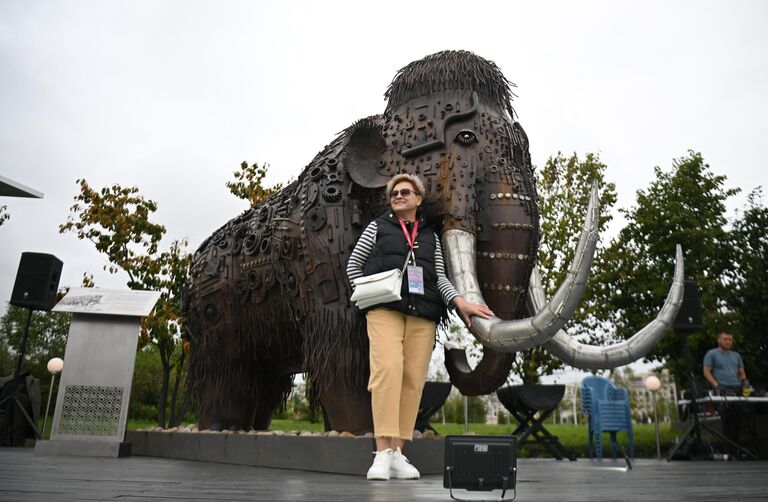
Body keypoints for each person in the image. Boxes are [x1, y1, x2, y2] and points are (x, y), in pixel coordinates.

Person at [346, 173, 493, 481]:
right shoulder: (378, 227)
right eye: (394, 193)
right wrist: (364, 293)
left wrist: (459, 302)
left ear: (418, 199)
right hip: (385, 308)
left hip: (423, 312)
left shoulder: (430, 237)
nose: (398, 196)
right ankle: (382, 452)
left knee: (413, 380)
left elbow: (439, 277)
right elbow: (353, 266)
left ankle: (399, 452)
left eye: (405, 192)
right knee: (387, 370)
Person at [702, 331, 748, 446]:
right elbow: (706, 371)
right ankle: (728, 446)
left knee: (738, 416)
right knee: (727, 416)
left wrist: (744, 383)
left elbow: (742, 373)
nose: (728, 342)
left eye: (730, 339)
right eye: (725, 339)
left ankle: (738, 445)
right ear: (719, 340)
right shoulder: (712, 354)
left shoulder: (736, 355)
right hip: (722, 387)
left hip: (737, 387)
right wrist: (716, 384)